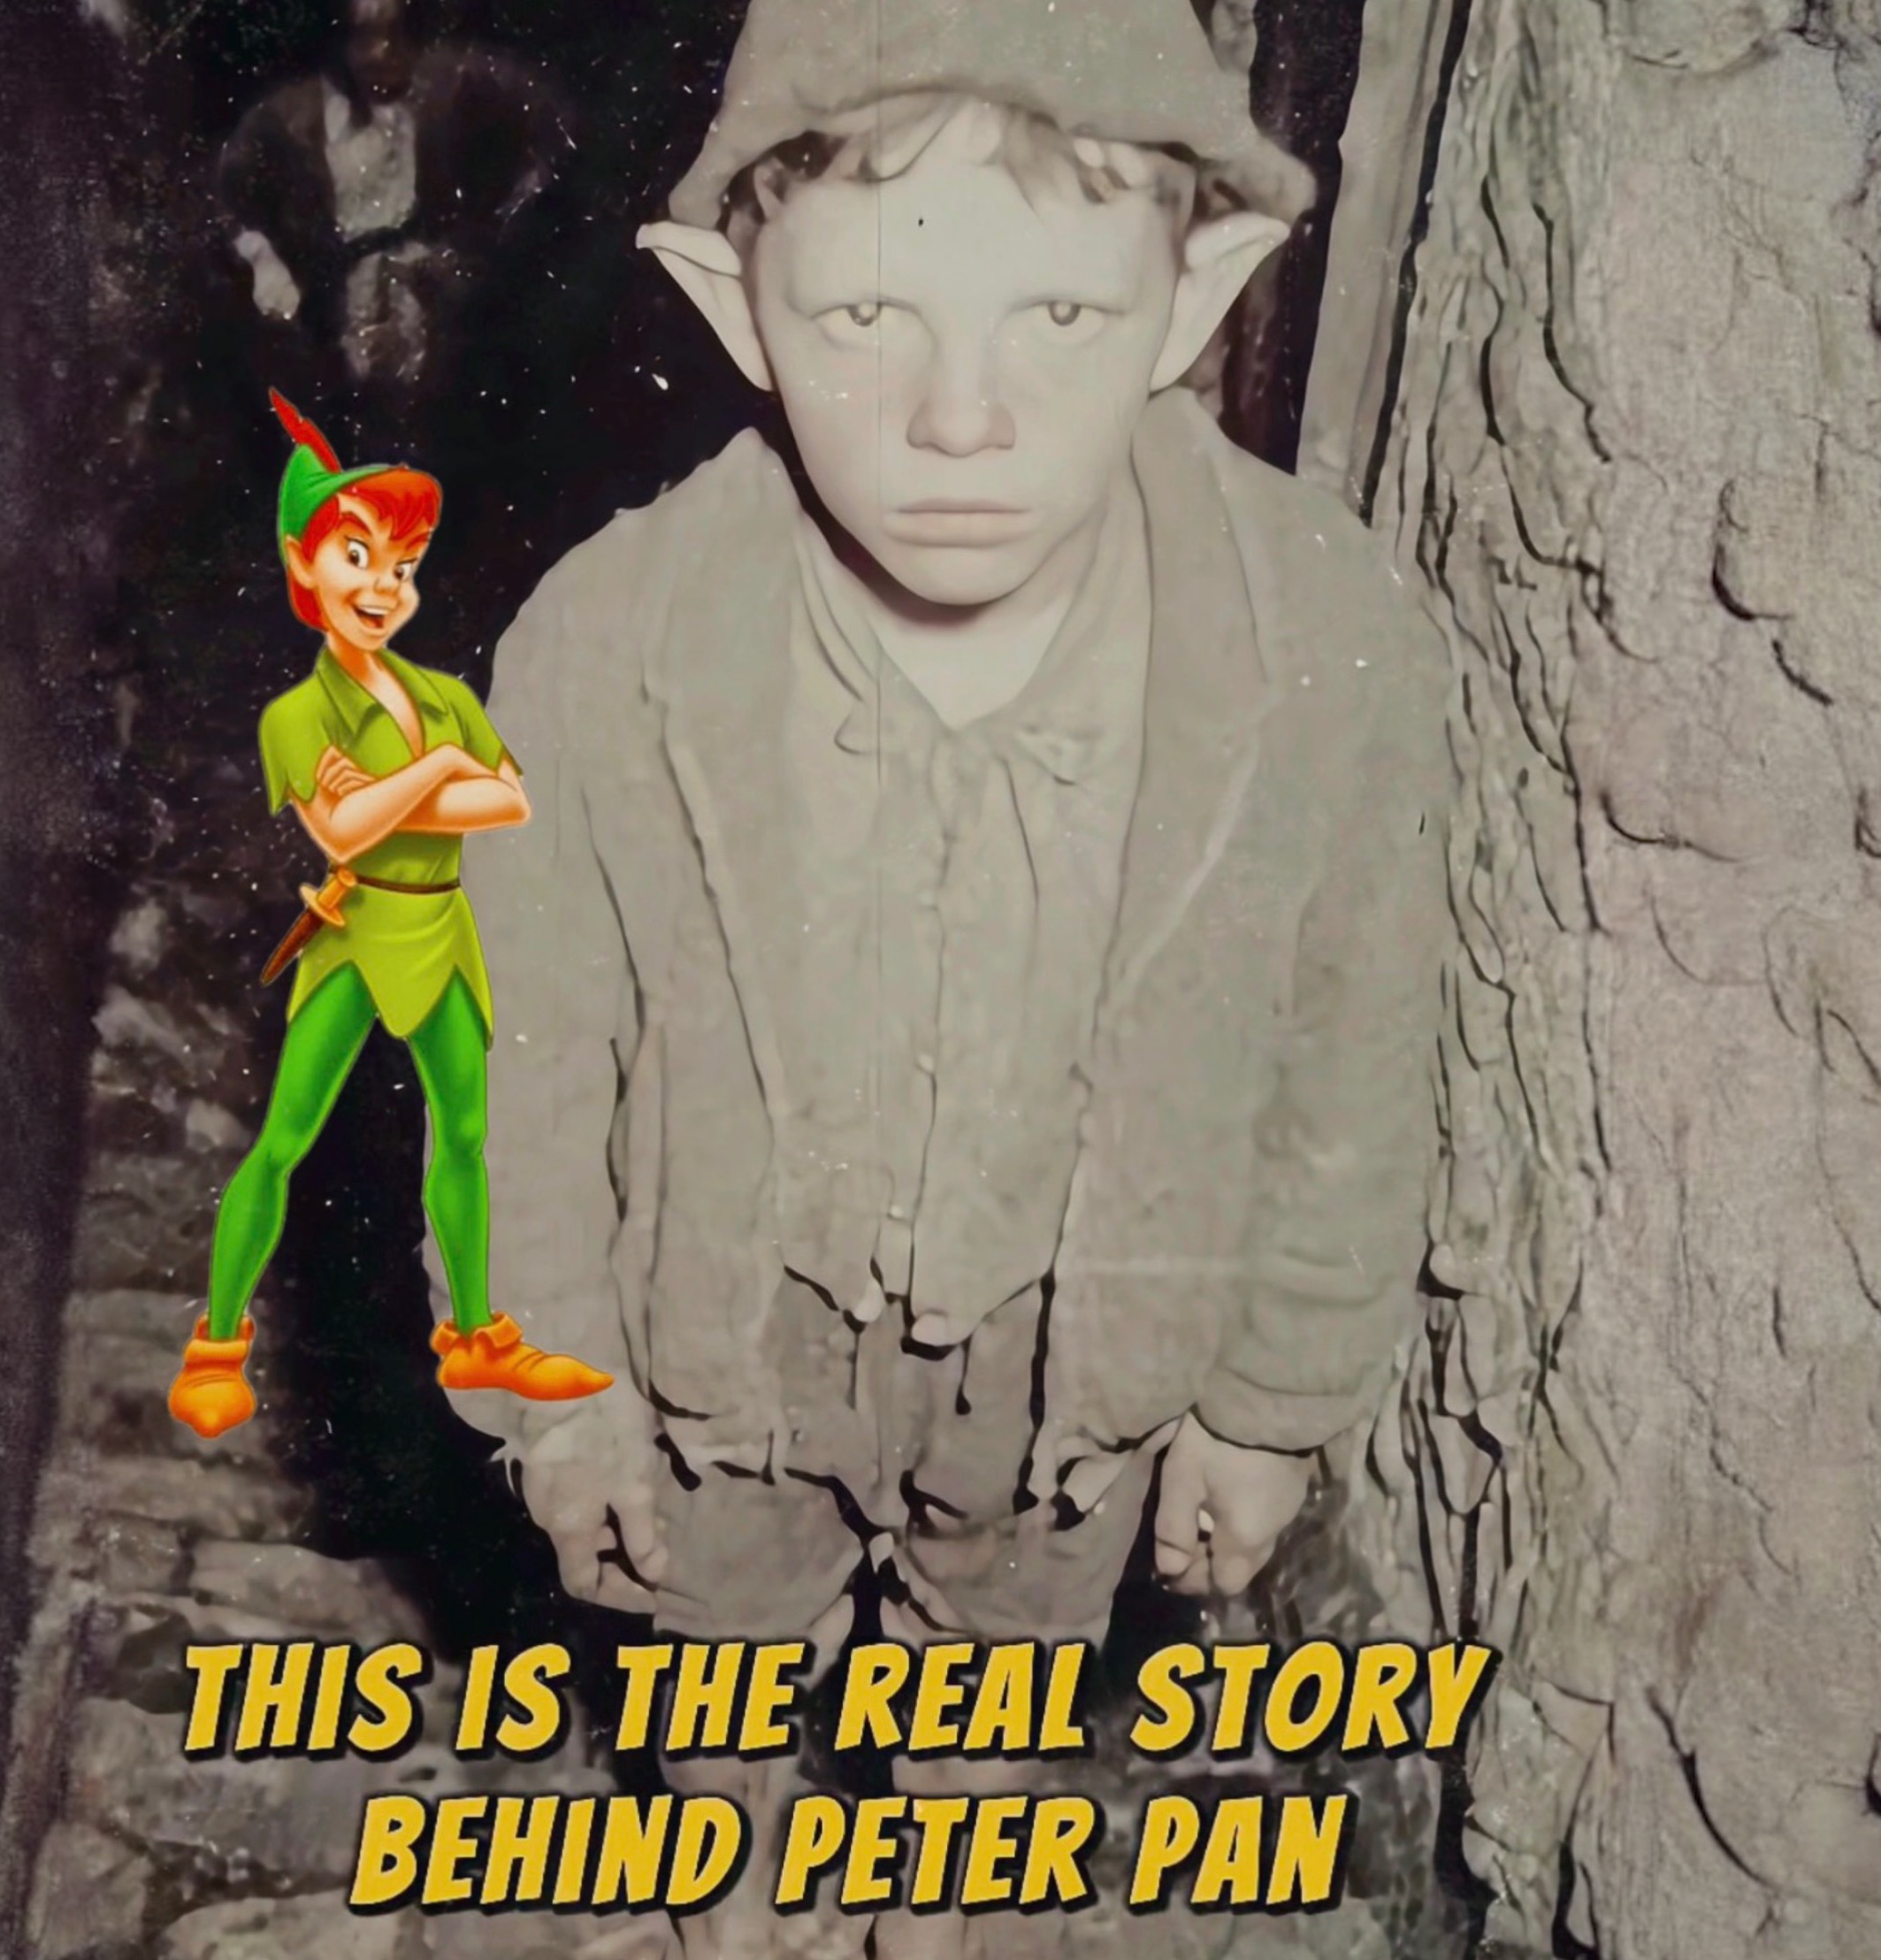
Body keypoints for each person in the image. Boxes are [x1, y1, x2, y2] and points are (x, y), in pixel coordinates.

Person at [451, 1, 1454, 1950]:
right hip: (726, 1332)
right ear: (735, 306)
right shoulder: (606, 647)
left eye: (1058, 315)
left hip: (1070, 1355)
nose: (961, 421)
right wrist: (554, 1393)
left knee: (990, 1698)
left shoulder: (1325, 653)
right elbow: (521, 1060)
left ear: (1194, 294)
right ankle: (729, 1882)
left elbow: (1352, 1061)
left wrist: (1267, 1405)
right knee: (714, 1659)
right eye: (864, 316)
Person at [166, 394, 611, 1439]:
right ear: (303, 565)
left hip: (441, 926)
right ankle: (216, 1347)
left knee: (464, 1132)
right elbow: (341, 830)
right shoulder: (298, 714)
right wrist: (435, 771)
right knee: (286, 1137)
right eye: (357, 556)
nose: (382, 586)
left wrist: (400, 785)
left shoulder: (444, 694)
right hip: (358, 932)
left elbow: (506, 801)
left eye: (402, 566)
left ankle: (475, 1336)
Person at [218, 0, 570, 424]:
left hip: (439, 331)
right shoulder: (290, 116)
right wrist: (264, 259)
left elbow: (553, 132)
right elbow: (228, 198)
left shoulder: (455, 83)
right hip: (330, 336)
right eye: (363, 36)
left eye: (397, 34)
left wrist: (495, 234)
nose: (381, 53)